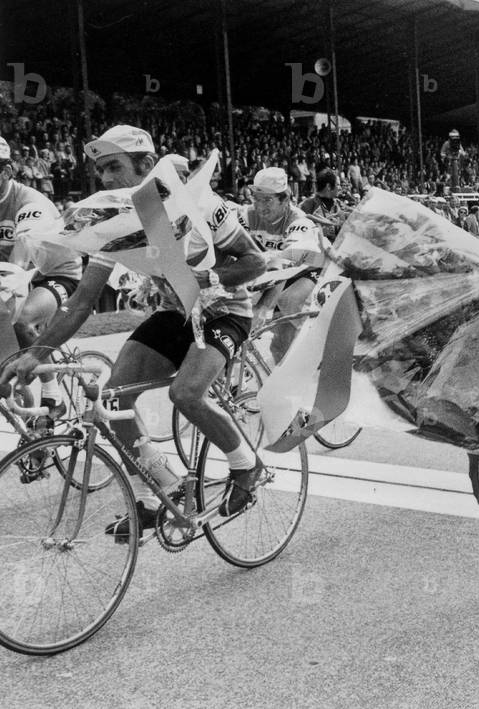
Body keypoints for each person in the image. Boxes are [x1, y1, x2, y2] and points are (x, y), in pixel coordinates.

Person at [0, 125, 267, 536]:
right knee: (112, 398)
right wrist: (35, 353)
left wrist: (207, 275)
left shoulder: (201, 203)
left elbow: (255, 262)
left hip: (224, 312)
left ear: (145, 164)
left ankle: (245, 467)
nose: (105, 179)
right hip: (175, 315)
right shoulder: (113, 224)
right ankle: (160, 492)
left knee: (185, 393)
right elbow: (81, 302)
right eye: (100, 170)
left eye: (113, 167)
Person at [0, 135, 83, 420]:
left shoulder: (30, 201)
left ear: (7, 171)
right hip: (23, 276)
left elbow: (19, 262)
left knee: (22, 320)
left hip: (56, 273)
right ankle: (30, 420)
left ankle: (53, 396)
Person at [241, 167, 325, 362]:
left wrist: (262, 307)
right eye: (256, 199)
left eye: (267, 200)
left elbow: (285, 266)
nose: (260, 207)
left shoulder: (299, 221)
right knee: (278, 348)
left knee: (288, 300)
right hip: (277, 272)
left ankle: (317, 346)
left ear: (285, 199)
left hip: (306, 270)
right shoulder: (248, 214)